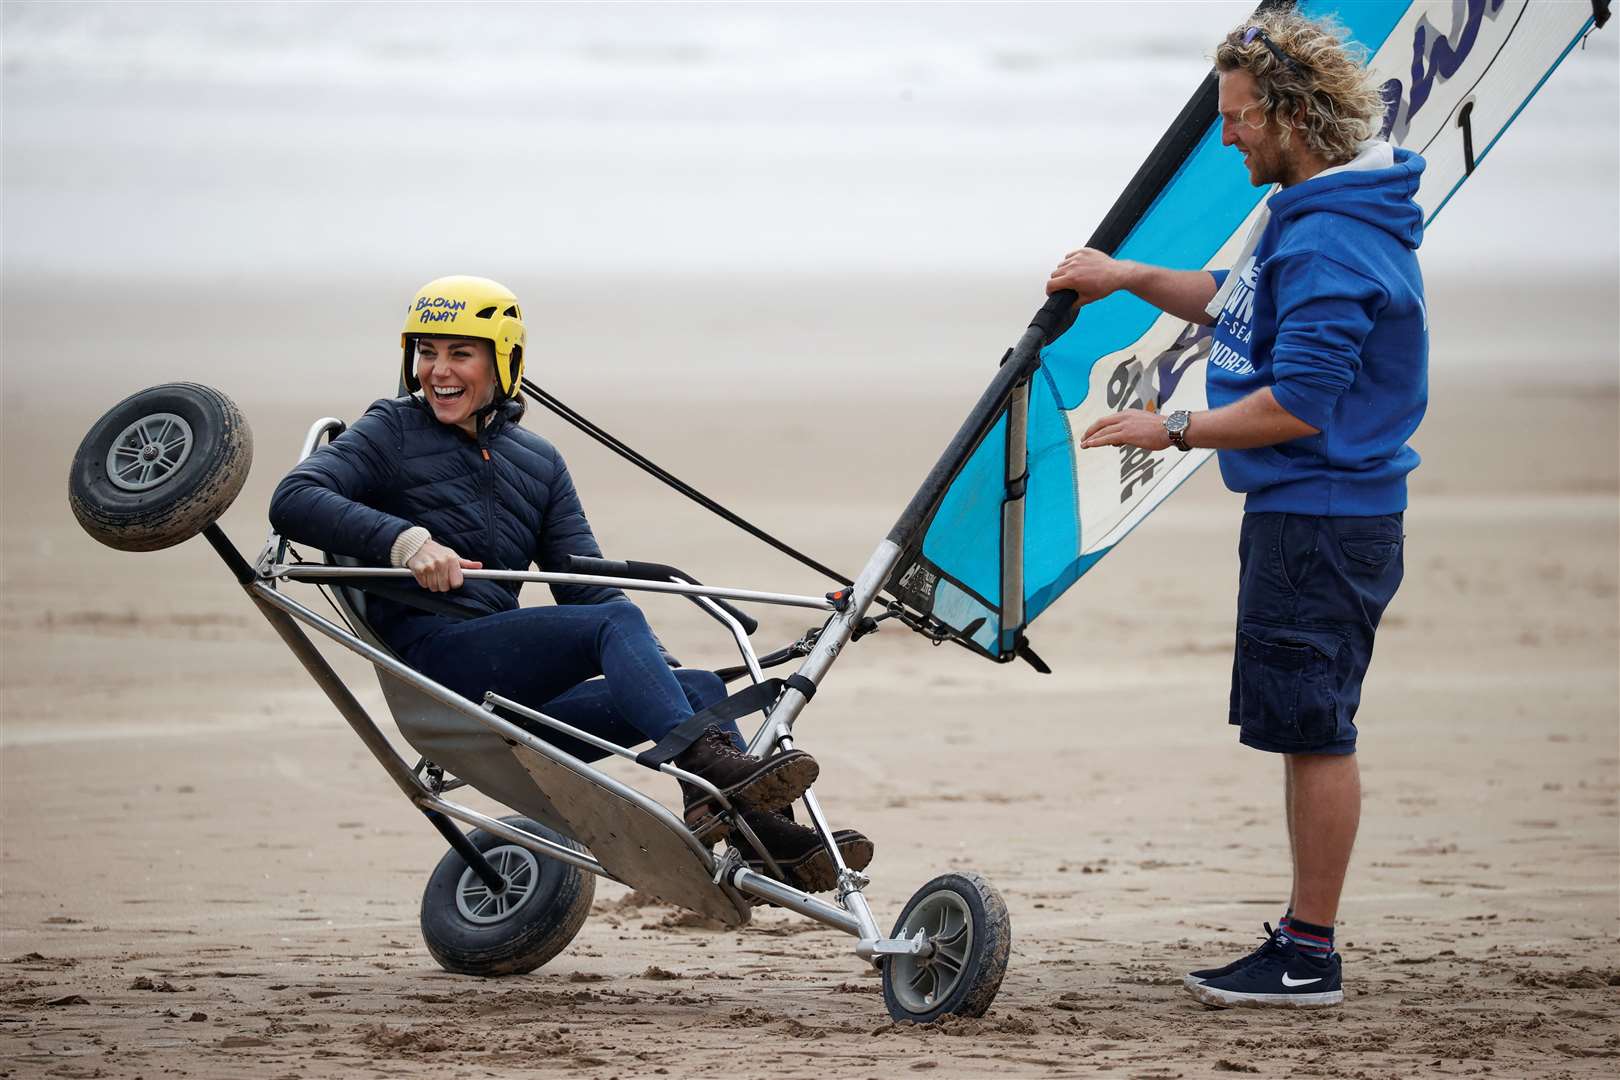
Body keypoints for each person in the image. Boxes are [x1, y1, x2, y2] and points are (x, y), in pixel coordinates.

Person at [1048, 12, 1424, 1009]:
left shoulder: (1333, 241)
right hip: (1313, 511)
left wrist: (1168, 430)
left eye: (1237, 120)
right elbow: (1234, 299)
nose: (1225, 139)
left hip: (1325, 516)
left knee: (1316, 730)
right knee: (1306, 724)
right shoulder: (1309, 211)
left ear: (1292, 118)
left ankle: (1308, 953)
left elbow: (1298, 402)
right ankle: (1305, 942)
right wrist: (1127, 278)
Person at [270, 275, 872, 892]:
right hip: (441, 667)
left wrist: (655, 672)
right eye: (426, 352)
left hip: (513, 702)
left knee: (690, 685)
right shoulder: (391, 430)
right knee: (619, 631)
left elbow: (586, 585)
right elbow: (294, 498)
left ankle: (760, 833)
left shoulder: (538, 461)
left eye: (460, 353)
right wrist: (408, 543)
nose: (437, 372)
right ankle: (706, 766)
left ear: (505, 361)